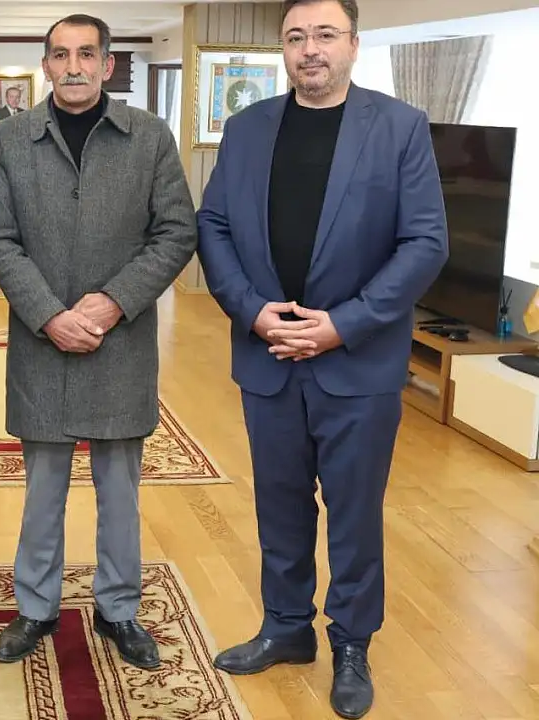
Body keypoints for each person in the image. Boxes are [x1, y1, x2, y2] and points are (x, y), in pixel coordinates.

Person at [195, 1, 448, 717]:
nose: (310, 49)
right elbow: (213, 224)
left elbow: (425, 242)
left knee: (353, 511)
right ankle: (286, 628)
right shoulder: (247, 128)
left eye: (326, 35)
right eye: (296, 36)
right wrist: (251, 310)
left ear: (354, 45)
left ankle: (352, 643)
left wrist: (344, 325)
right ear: (283, 48)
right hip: (269, 352)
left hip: (357, 362)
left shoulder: (399, 128)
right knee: (277, 502)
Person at [0, 14, 197, 670]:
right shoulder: (10, 139)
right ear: (45, 65)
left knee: (120, 491)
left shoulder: (149, 137)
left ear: (107, 65)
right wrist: (49, 314)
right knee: (42, 490)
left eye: (86, 54)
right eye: (60, 55)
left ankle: (119, 610)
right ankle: (35, 607)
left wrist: (113, 302)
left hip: (120, 345)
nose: (72, 66)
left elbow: (176, 231)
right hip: (42, 345)